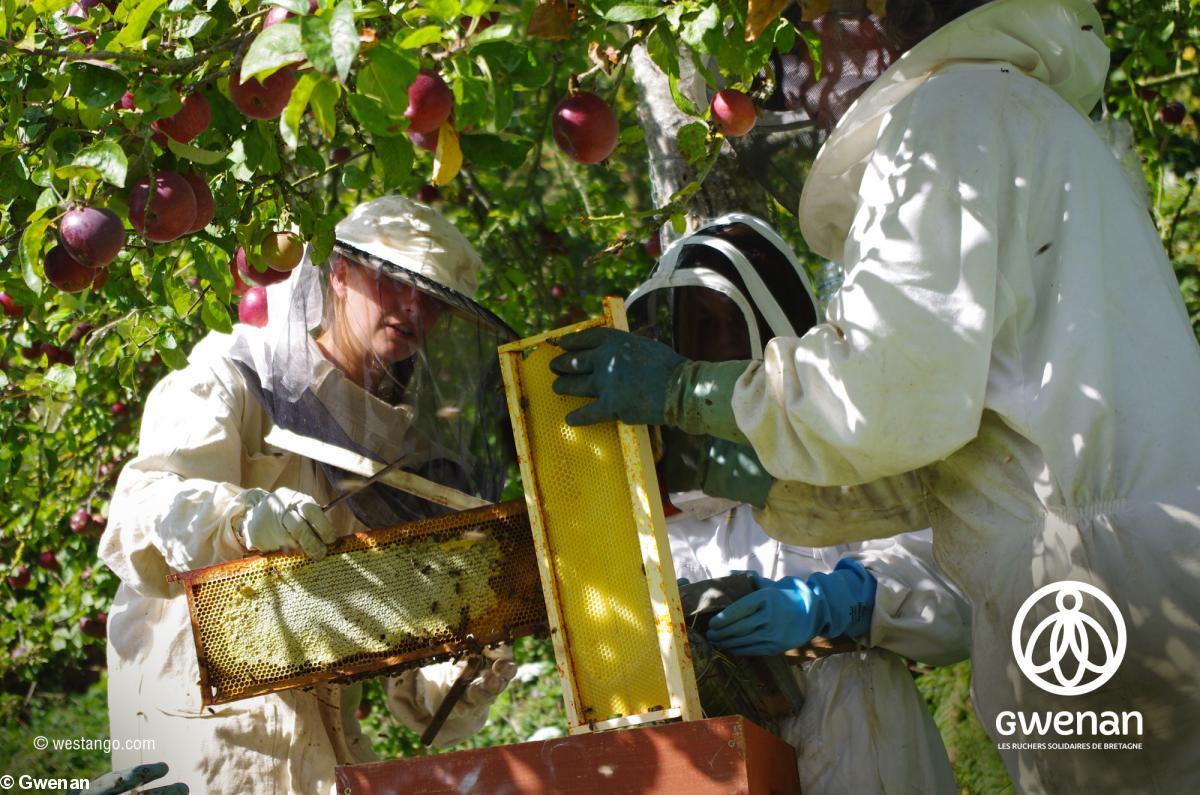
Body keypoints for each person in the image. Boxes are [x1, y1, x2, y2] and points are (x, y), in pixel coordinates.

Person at [551, 1, 1200, 791]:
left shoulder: (946, 118)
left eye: (806, 31)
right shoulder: (1007, 115)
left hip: (1098, 587)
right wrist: (746, 473)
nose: (790, 75)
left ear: (877, 18)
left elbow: (884, 393)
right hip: (1110, 573)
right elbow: (940, 439)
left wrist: (687, 393)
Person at [99, 196, 520, 794]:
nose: (413, 307)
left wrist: (472, 659)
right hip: (200, 743)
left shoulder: (401, 447)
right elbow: (144, 512)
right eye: (396, 282)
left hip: (330, 759)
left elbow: (421, 701)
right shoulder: (231, 375)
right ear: (340, 276)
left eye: (433, 299)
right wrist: (243, 520)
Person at [632, 216, 971, 793]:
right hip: (719, 760)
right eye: (700, 326)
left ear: (771, 328)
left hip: (860, 738)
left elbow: (958, 597)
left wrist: (839, 602)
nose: (715, 345)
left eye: (728, 326)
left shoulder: (843, 439)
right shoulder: (654, 487)